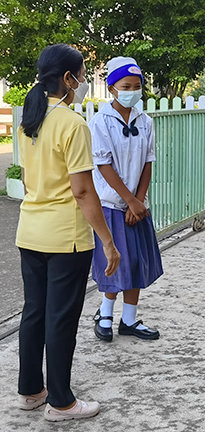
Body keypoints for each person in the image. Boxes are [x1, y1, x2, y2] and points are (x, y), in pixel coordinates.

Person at [16, 44, 121, 421]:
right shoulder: (72, 124)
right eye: (81, 76)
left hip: (30, 231)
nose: (82, 82)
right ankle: (61, 402)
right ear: (67, 79)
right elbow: (83, 191)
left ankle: (31, 391)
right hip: (66, 239)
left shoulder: (29, 121)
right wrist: (107, 240)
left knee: (34, 313)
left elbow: (27, 179)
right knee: (60, 319)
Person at [89, 57, 163, 342]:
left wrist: (139, 200)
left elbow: (147, 162)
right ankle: (105, 313)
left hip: (137, 205)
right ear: (112, 88)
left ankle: (129, 319)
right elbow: (103, 165)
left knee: (137, 262)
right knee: (114, 261)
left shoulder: (145, 122)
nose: (132, 91)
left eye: (136, 86)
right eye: (125, 86)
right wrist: (129, 200)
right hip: (111, 204)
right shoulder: (100, 122)